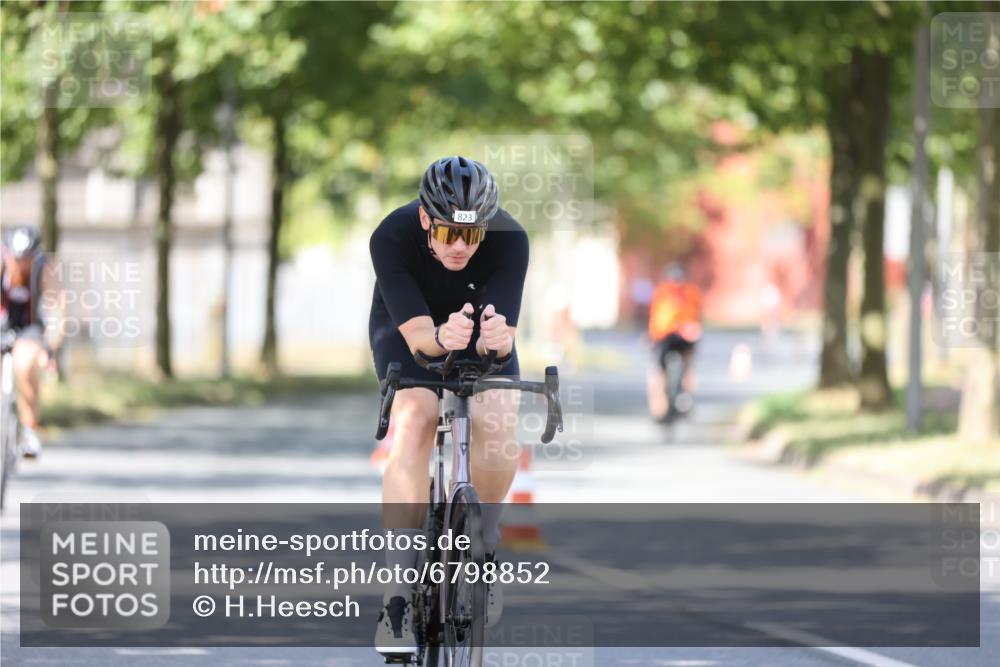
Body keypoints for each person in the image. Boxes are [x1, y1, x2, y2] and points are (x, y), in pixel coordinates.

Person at [368, 156, 528, 655]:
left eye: (472, 237)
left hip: (479, 334)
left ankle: (484, 548)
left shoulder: (511, 239)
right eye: (447, 235)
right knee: (415, 418)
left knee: (498, 417)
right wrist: (441, 335)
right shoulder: (391, 236)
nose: (459, 247)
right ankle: (396, 594)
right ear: (424, 220)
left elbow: (501, 341)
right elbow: (419, 340)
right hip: (410, 332)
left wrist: (495, 342)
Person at [0, 225, 65, 458]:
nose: (20, 264)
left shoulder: (44, 269)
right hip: (2, 321)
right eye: (16, 259)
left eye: (25, 259)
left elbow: (57, 310)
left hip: (31, 327)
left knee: (25, 365)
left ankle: (29, 430)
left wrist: (50, 348)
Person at [645, 263, 702, 422]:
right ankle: (687, 399)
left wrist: (650, 337)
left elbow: (654, 317)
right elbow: (697, 315)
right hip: (683, 334)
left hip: (665, 335)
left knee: (658, 371)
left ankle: (658, 407)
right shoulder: (691, 291)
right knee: (688, 365)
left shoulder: (662, 291)